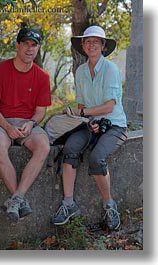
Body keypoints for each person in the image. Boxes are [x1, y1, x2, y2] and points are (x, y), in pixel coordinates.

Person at [51, 25, 128, 230]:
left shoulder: (111, 69)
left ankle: (110, 206)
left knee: (96, 157)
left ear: (103, 46)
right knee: (70, 148)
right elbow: (82, 106)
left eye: (96, 41)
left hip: (115, 125)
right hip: (90, 122)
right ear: (83, 46)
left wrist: (85, 114)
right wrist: (88, 120)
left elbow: (109, 106)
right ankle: (69, 204)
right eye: (87, 41)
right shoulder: (81, 71)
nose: (91, 44)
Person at [0, 27, 51, 222]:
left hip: (27, 123)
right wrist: (7, 127)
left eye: (34, 45)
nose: (29, 49)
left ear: (37, 49)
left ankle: (16, 198)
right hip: (1, 121)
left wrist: (31, 124)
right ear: (17, 45)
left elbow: (41, 112)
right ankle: (19, 199)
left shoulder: (42, 76)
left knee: (43, 146)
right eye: (26, 44)